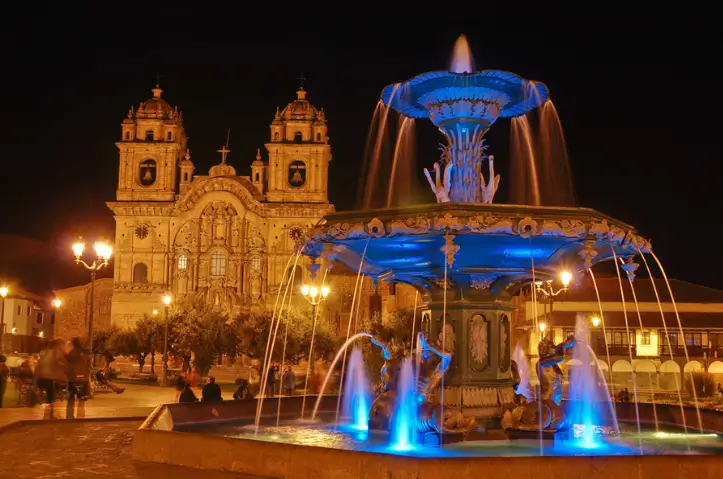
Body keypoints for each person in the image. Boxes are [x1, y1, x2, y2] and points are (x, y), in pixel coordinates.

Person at [35, 338, 68, 418]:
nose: (64, 346)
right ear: (58, 345)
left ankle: (49, 414)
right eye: (63, 344)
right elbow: (60, 361)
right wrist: (68, 366)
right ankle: (50, 415)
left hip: (42, 378)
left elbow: (39, 366)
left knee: (51, 397)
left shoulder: (43, 353)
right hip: (49, 378)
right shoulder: (55, 352)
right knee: (52, 397)